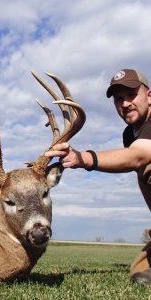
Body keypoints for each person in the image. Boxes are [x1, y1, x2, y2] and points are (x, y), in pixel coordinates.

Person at [45, 68, 151, 284]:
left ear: (149, 96)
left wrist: (83, 158)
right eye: (119, 99)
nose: (125, 103)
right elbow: (139, 172)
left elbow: (138, 156)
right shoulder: (130, 133)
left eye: (132, 95)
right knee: (141, 274)